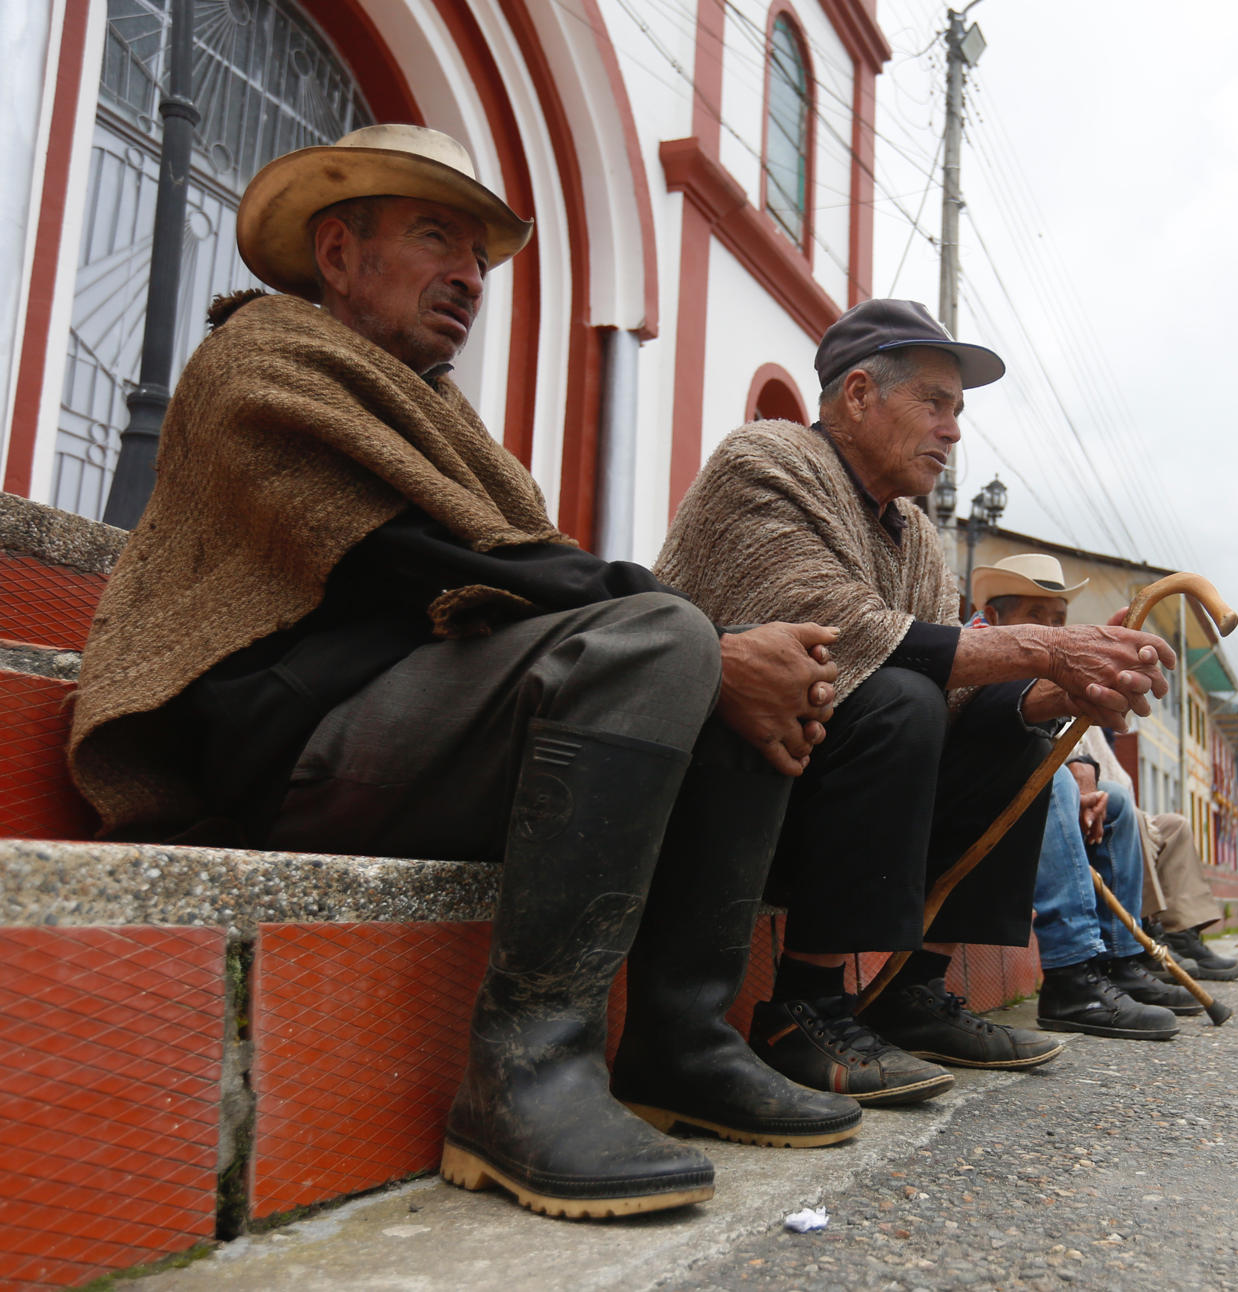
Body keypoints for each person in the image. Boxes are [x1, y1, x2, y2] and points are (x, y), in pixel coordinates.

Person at [67, 126, 862, 1220]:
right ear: (338, 250)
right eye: (438, 237)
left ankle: (681, 1039)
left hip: (424, 731)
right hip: (290, 747)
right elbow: (424, 557)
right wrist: (698, 640)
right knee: (669, 640)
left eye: (481, 260)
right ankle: (524, 1073)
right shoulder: (260, 359)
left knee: (746, 667)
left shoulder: (440, 415)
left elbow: (519, 569)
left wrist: (735, 656)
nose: (468, 278)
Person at [655, 298, 1177, 1104]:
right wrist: (1047, 648)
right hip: (722, 789)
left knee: (1012, 734)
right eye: (934, 403)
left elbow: (960, 686)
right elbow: (851, 639)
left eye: (958, 410)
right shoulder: (767, 460)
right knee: (902, 694)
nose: (954, 430)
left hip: (823, 791)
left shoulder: (912, 532)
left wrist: (1049, 695)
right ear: (859, 394)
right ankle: (806, 1008)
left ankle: (910, 989)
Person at [970, 555, 1192, 1041]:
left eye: (1058, 620)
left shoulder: (1051, 663)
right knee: (1050, 780)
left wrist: (1085, 785)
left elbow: (1057, 734)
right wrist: (1069, 781)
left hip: (1027, 785)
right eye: (1035, 616)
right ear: (994, 615)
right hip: (965, 791)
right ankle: (1071, 974)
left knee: (1114, 803)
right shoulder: (975, 646)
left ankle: (1119, 959)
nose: (1051, 631)